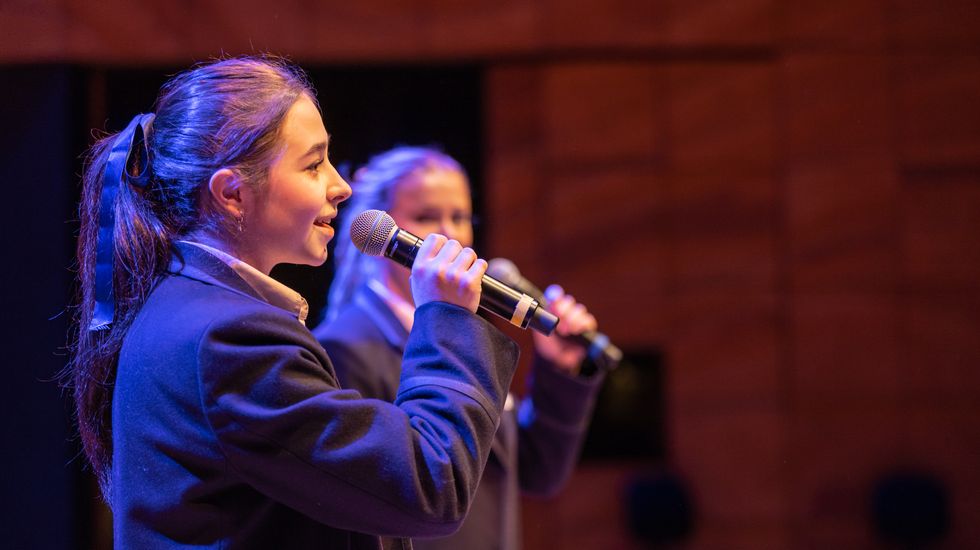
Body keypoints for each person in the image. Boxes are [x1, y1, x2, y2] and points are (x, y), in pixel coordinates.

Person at [65, 57, 521, 549]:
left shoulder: (185, 305)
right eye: (313, 164)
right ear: (232, 193)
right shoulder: (231, 339)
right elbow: (429, 487)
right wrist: (447, 319)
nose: (341, 187)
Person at [315, 146, 607, 550]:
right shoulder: (345, 346)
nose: (449, 235)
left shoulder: (463, 334)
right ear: (383, 234)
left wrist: (560, 371)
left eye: (460, 217)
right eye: (426, 217)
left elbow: (534, 473)